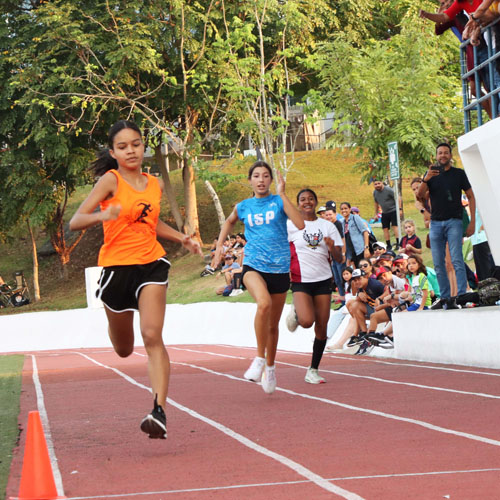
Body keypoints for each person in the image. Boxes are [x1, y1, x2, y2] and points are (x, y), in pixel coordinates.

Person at [69, 120, 203, 439]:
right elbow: (76, 221)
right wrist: (102, 215)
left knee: (152, 334)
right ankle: (115, 322)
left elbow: (151, 225)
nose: (131, 150)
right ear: (113, 152)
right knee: (125, 349)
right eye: (123, 146)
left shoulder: (153, 183)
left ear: (144, 147)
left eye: (136, 144)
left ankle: (158, 410)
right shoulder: (110, 181)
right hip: (116, 269)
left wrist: (181, 238)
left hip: (151, 263)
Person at [213, 160, 304, 394]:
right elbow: (229, 222)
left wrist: (283, 195)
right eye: (256, 176)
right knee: (263, 304)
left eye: (265, 176)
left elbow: (300, 223)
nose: (261, 180)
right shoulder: (243, 206)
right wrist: (220, 249)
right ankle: (259, 358)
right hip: (254, 264)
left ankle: (271, 368)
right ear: (250, 180)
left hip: (280, 268)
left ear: (271, 180)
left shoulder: (278, 201)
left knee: (273, 325)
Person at [286, 188, 343, 384]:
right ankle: (297, 313)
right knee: (307, 321)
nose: (307, 202)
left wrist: (331, 246)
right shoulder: (291, 226)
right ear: (298, 203)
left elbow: (339, 257)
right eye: (303, 199)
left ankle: (313, 369)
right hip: (301, 280)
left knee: (321, 327)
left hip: (323, 280)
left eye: (311, 199)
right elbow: (283, 252)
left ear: (316, 202)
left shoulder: (327, 226)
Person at [417, 142, 476, 309]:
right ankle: (445, 298)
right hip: (435, 224)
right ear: (436, 156)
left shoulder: (459, 174)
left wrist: (472, 222)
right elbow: (420, 196)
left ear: (450, 155)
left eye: (445, 153)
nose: (443, 155)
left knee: (457, 259)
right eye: (440, 153)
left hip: (454, 222)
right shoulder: (430, 175)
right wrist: (425, 179)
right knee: (438, 263)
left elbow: (471, 196)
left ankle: (462, 295)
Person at [345, 269, 386, 349]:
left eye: (359, 279)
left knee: (354, 305)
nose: (357, 282)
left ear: (366, 277)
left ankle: (357, 334)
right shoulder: (360, 287)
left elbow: (387, 291)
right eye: (355, 280)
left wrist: (380, 298)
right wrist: (359, 295)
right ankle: (363, 332)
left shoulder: (375, 284)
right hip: (372, 310)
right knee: (351, 304)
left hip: (381, 311)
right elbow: (356, 303)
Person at [324, 205, 346, 305]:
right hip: (333, 257)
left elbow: (342, 239)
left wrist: (343, 254)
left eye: (330, 214)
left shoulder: (338, 224)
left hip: (339, 256)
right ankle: (342, 302)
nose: (328, 216)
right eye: (326, 215)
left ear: (335, 214)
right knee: (337, 280)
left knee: (343, 279)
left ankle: (346, 301)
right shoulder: (327, 226)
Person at [339, 202, 370, 267]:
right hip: (351, 252)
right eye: (342, 209)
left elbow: (365, 231)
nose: (343, 210)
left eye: (345, 208)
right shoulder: (342, 222)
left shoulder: (355, 218)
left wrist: (366, 248)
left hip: (360, 249)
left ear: (350, 209)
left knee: (364, 268)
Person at [373, 179, 399, 250]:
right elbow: (376, 203)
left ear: (382, 183)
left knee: (395, 226)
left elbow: (397, 198)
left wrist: (399, 209)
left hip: (393, 210)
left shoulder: (388, 190)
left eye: (379, 183)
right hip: (384, 212)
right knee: (385, 228)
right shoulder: (375, 192)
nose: (377, 185)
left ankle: (398, 243)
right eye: (375, 184)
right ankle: (388, 245)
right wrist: (376, 214)